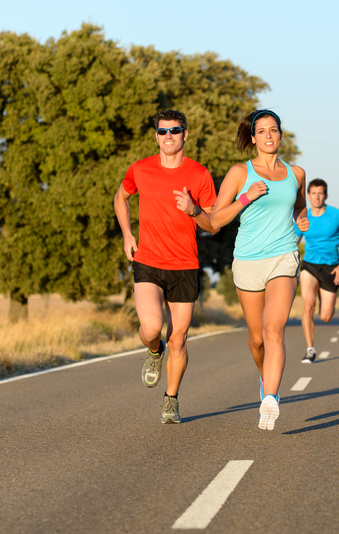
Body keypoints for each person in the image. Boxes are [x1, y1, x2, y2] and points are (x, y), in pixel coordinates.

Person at [113, 109, 218, 424]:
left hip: (185, 265)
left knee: (180, 339)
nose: (168, 136)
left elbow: (213, 224)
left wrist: (193, 209)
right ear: (156, 136)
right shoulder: (141, 169)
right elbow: (121, 198)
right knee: (152, 329)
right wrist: (127, 234)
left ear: (185, 134)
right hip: (148, 260)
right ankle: (154, 350)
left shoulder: (200, 175)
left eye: (174, 130)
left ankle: (171, 399)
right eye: (162, 131)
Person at [210, 109, 309, 431]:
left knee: (273, 330)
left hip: (283, 256)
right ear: (253, 138)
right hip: (248, 260)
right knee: (256, 340)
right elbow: (214, 221)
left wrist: (300, 220)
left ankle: (270, 395)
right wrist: (245, 198)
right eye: (262, 131)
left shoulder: (297, 173)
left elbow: (299, 206)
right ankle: (264, 377)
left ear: (281, 135)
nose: (268, 135)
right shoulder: (240, 172)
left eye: (274, 130)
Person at [295, 178, 339, 363]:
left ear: (326, 195)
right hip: (310, 265)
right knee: (308, 305)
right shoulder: (303, 217)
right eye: (313, 193)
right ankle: (310, 349)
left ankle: (327, 299)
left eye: (320, 193)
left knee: (326, 316)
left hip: (332, 267)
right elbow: (294, 242)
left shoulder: (337, 215)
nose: (316, 197)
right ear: (308, 195)